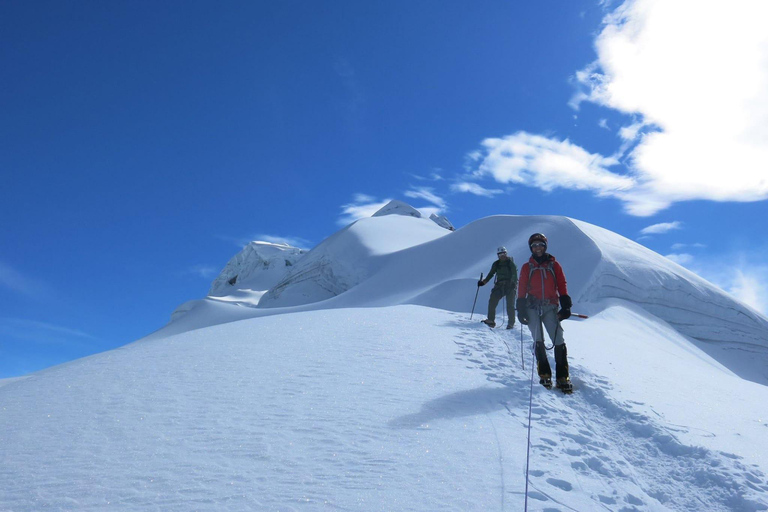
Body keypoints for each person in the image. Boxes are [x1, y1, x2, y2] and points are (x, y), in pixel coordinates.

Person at [516, 233, 573, 392]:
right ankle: (545, 375)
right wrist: (520, 307)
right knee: (538, 340)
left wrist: (566, 304)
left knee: (558, 339)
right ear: (531, 248)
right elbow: (522, 287)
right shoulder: (527, 267)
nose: (538, 248)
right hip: (532, 307)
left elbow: (562, 284)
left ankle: (563, 376)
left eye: (540, 245)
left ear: (545, 246)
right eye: (534, 246)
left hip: (550, 306)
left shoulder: (554, 265)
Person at [478, 246, 518, 329]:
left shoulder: (510, 263)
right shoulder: (496, 264)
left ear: (506, 253)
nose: (502, 255)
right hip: (499, 285)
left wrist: (514, 282)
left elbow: (514, 273)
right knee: (492, 301)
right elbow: (491, 274)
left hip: (510, 285)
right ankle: (491, 320)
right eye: (500, 254)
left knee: (510, 305)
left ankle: (511, 323)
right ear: (498, 255)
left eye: (503, 253)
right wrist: (483, 282)